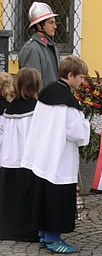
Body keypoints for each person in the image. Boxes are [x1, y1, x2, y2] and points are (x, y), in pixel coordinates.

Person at [21, 56, 90, 254]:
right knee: (57, 199)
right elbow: (75, 132)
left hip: (44, 153)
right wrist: (85, 123)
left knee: (44, 195)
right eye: (81, 77)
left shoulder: (48, 91)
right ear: (70, 75)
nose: (83, 82)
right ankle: (53, 238)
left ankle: (43, 233)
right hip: (60, 157)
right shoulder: (66, 100)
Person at [0, 68, 41, 242]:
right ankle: (27, 231)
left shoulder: (9, 110)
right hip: (29, 160)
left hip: (8, 159)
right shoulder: (38, 110)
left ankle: (7, 229)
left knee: (9, 197)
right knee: (27, 197)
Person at [18, 2, 60, 88]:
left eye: (55, 22)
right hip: (41, 101)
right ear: (39, 25)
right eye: (51, 22)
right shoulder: (31, 48)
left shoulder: (50, 45)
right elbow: (32, 86)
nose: (55, 26)